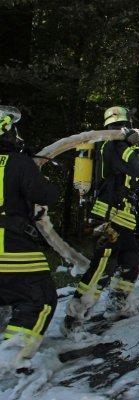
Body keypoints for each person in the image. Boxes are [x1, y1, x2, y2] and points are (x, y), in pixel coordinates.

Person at [61, 106, 139, 336]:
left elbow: (136, 172)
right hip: (108, 217)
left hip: (124, 217)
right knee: (103, 266)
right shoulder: (114, 145)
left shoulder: (118, 145)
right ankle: (73, 318)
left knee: (134, 257)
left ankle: (117, 301)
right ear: (127, 123)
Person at [0, 106, 59, 368]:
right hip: (11, 247)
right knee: (40, 298)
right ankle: (11, 360)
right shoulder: (18, 162)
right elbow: (44, 194)